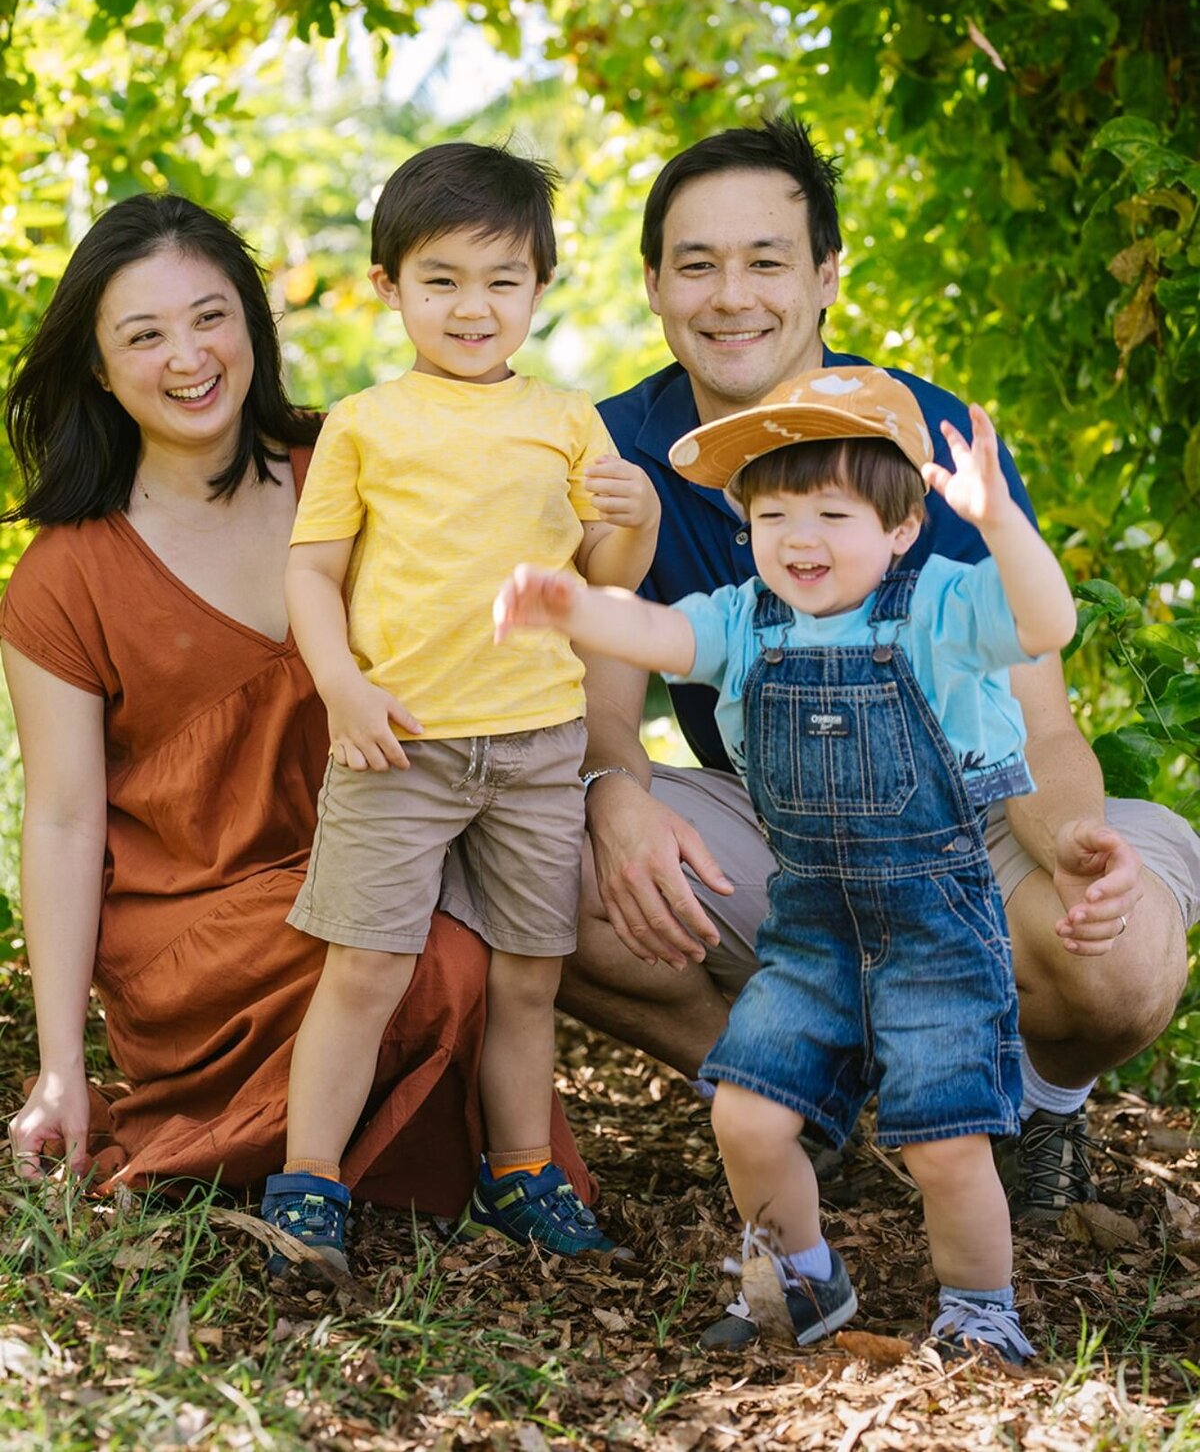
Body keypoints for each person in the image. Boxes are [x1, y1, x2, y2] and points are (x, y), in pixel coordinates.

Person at [561, 114, 1200, 1222]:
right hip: (780, 817)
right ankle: (796, 1099)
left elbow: (1041, 723)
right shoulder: (617, 452)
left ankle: (1036, 1106)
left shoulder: (921, 436)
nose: (732, 295)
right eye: (697, 264)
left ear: (825, 277)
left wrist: (1073, 851)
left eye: (767, 260)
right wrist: (615, 798)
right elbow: (603, 704)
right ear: (655, 284)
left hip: (968, 810)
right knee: (522, 855)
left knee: (1126, 948)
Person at [1, 192, 593, 1221]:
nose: (188, 355)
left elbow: (534, 592)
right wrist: (61, 1062)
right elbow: (59, 818)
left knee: (543, 924)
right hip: (205, 917)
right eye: (144, 334)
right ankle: (314, 1174)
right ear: (100, 366)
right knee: (431, 960)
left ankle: (787, 1095)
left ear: (252, 323)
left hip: (398, 838)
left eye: (210, 315)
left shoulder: (352, 459)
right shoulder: (63, 575)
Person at [499, 366, 1079, 1357]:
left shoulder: (940, 604)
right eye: (772, 513)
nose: (798, 537)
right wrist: (573, 604)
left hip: (934, 921)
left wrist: (1000, 524)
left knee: (944, 1143)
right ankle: (803, 1278)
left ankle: (981, 1309)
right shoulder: (745, 617)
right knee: (748, 1113)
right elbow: (657, 629)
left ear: (901, 527)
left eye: (830, 511)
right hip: (811, 925)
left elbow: (1045, 623)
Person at [262, 143, 659, 1272]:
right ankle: (309, 1177)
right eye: (440, 278)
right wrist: (341, 684)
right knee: (368, 966)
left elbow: (606, 577)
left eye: (502, 280)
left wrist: (631, 515)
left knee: (529, 971)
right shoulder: (366, 422)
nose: (472, 306)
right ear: (388, 287)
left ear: (540, 287)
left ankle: (520, 1172)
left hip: (538, 743)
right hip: (402, 743)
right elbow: (310, 571)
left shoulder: (569, 419)